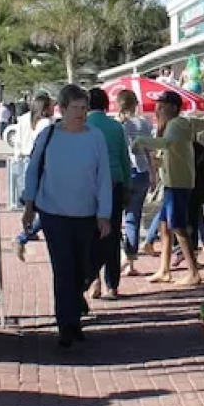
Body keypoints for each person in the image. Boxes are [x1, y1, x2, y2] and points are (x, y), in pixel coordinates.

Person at [19, 84, 112, 347]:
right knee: (63, 269)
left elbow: (104, 177)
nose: (81, 113)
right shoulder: (48, 136)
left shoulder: (95, 137)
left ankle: (73, 312)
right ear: (62, 109)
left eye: (84, 108)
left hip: (86, 214)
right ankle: (67, 324)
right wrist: (29, 206)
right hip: (53, 214)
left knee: (83, 268)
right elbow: (33, 171)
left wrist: (103, 214)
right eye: (75, 108)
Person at [133, 91, 204, 287]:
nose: (157, 109)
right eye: (157, 105)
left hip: (178, 184)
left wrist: (141, 141)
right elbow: (178, 147)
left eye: (161, 106)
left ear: (172, 107)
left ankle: (193, 272)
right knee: (164, 226)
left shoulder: (175, 125)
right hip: (177, 181)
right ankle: (164, 269)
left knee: (177, 226)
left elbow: (166, 143)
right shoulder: (182, 124)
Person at [84, 87, 131, 298]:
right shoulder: (115, 127)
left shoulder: (84, 126)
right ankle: (113, 285)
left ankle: (94, 280)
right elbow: (124, 159)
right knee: (112, 233)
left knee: (92, 234)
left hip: (90, 185)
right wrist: (128, 186)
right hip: (115, 181)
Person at [13, 93, 59, 256]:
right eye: (52, 105)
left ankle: (24, 236)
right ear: (45, 108)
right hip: (41, 165)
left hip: (28, 160)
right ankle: (23, 237)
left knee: (45, 209)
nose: (55, 107)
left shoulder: (31, 121)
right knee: (49, 210)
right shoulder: (47, 124)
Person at [116, 89, 154, 276]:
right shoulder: (144, 123)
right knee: (134, 217)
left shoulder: (119, 125)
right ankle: (130, 261)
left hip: (125, 173)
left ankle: (125, 253)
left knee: (118, 218)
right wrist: (153, 174)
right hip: (142, 172)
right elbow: (149, 151)